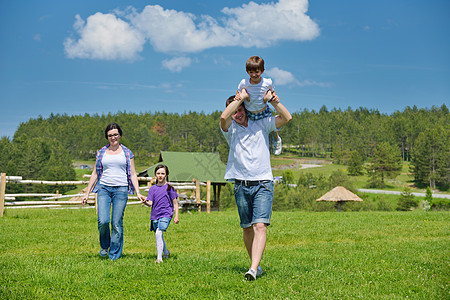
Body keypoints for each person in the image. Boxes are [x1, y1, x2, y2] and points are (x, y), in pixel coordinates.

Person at [220, 89, 292, 281]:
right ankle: (256, 265)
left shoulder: (260, 124)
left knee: (260, 225)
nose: (238, 113)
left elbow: (286, 117)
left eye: (241, 109)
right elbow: (223, 117)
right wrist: (240, 98)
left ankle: (252, 269)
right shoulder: (230, 130)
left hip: (263, 183)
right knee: (247, 227)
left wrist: (274, 101)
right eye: (235, 110)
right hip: (241, 185)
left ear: (246, 109)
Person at [82, 123, 146, 260]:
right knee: (103, 221)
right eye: (110, 135)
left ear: (120, 135)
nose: (113, 137)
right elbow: (95, 173)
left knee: (116, 222)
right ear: (107, 137)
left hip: (121, 190)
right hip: (104, 188)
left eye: (115, 134)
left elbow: (133, 174)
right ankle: (105, 246)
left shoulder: (127, 153)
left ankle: (114, 255)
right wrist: (87, 193)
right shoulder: (101, 152)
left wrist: (138, 191)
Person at [237, 55, 283, 155]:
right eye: (251, 72)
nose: (254, 75)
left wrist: (275, 96)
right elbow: (238, 92)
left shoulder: (267, 82)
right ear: (247, 72)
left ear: (262, 71)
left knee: (272, 128)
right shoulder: (244, 83)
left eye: (257, 72)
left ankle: (276, 139)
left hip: (263, 110)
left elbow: (272, 91)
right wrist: (238, 96)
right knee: (251, 132)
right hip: (249, 113)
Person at [141, 164, 180, 263]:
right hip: (155, 215)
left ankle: (159, 258)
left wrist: (176, 216)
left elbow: (175, 204)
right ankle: (166, 252)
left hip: (166, 214)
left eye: (163, 173)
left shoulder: (169, 188)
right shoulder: (152, 189)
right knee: (159, 235)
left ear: (166, 175)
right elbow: (150, 203)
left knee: (158, 232)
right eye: (158, 173)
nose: (160, 175)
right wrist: (145, 201)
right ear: (155, 175)